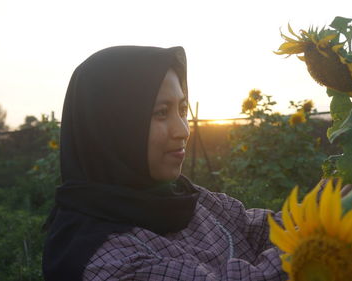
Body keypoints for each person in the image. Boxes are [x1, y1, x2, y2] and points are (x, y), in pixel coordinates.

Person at [42, 46, 287, 281]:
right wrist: (315, 248)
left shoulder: (185, 199)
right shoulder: (104, 260)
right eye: (161, 113)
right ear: (110, 128)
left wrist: (321, 204)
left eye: (182, 110)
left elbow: (261, 230)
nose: (183, 131)